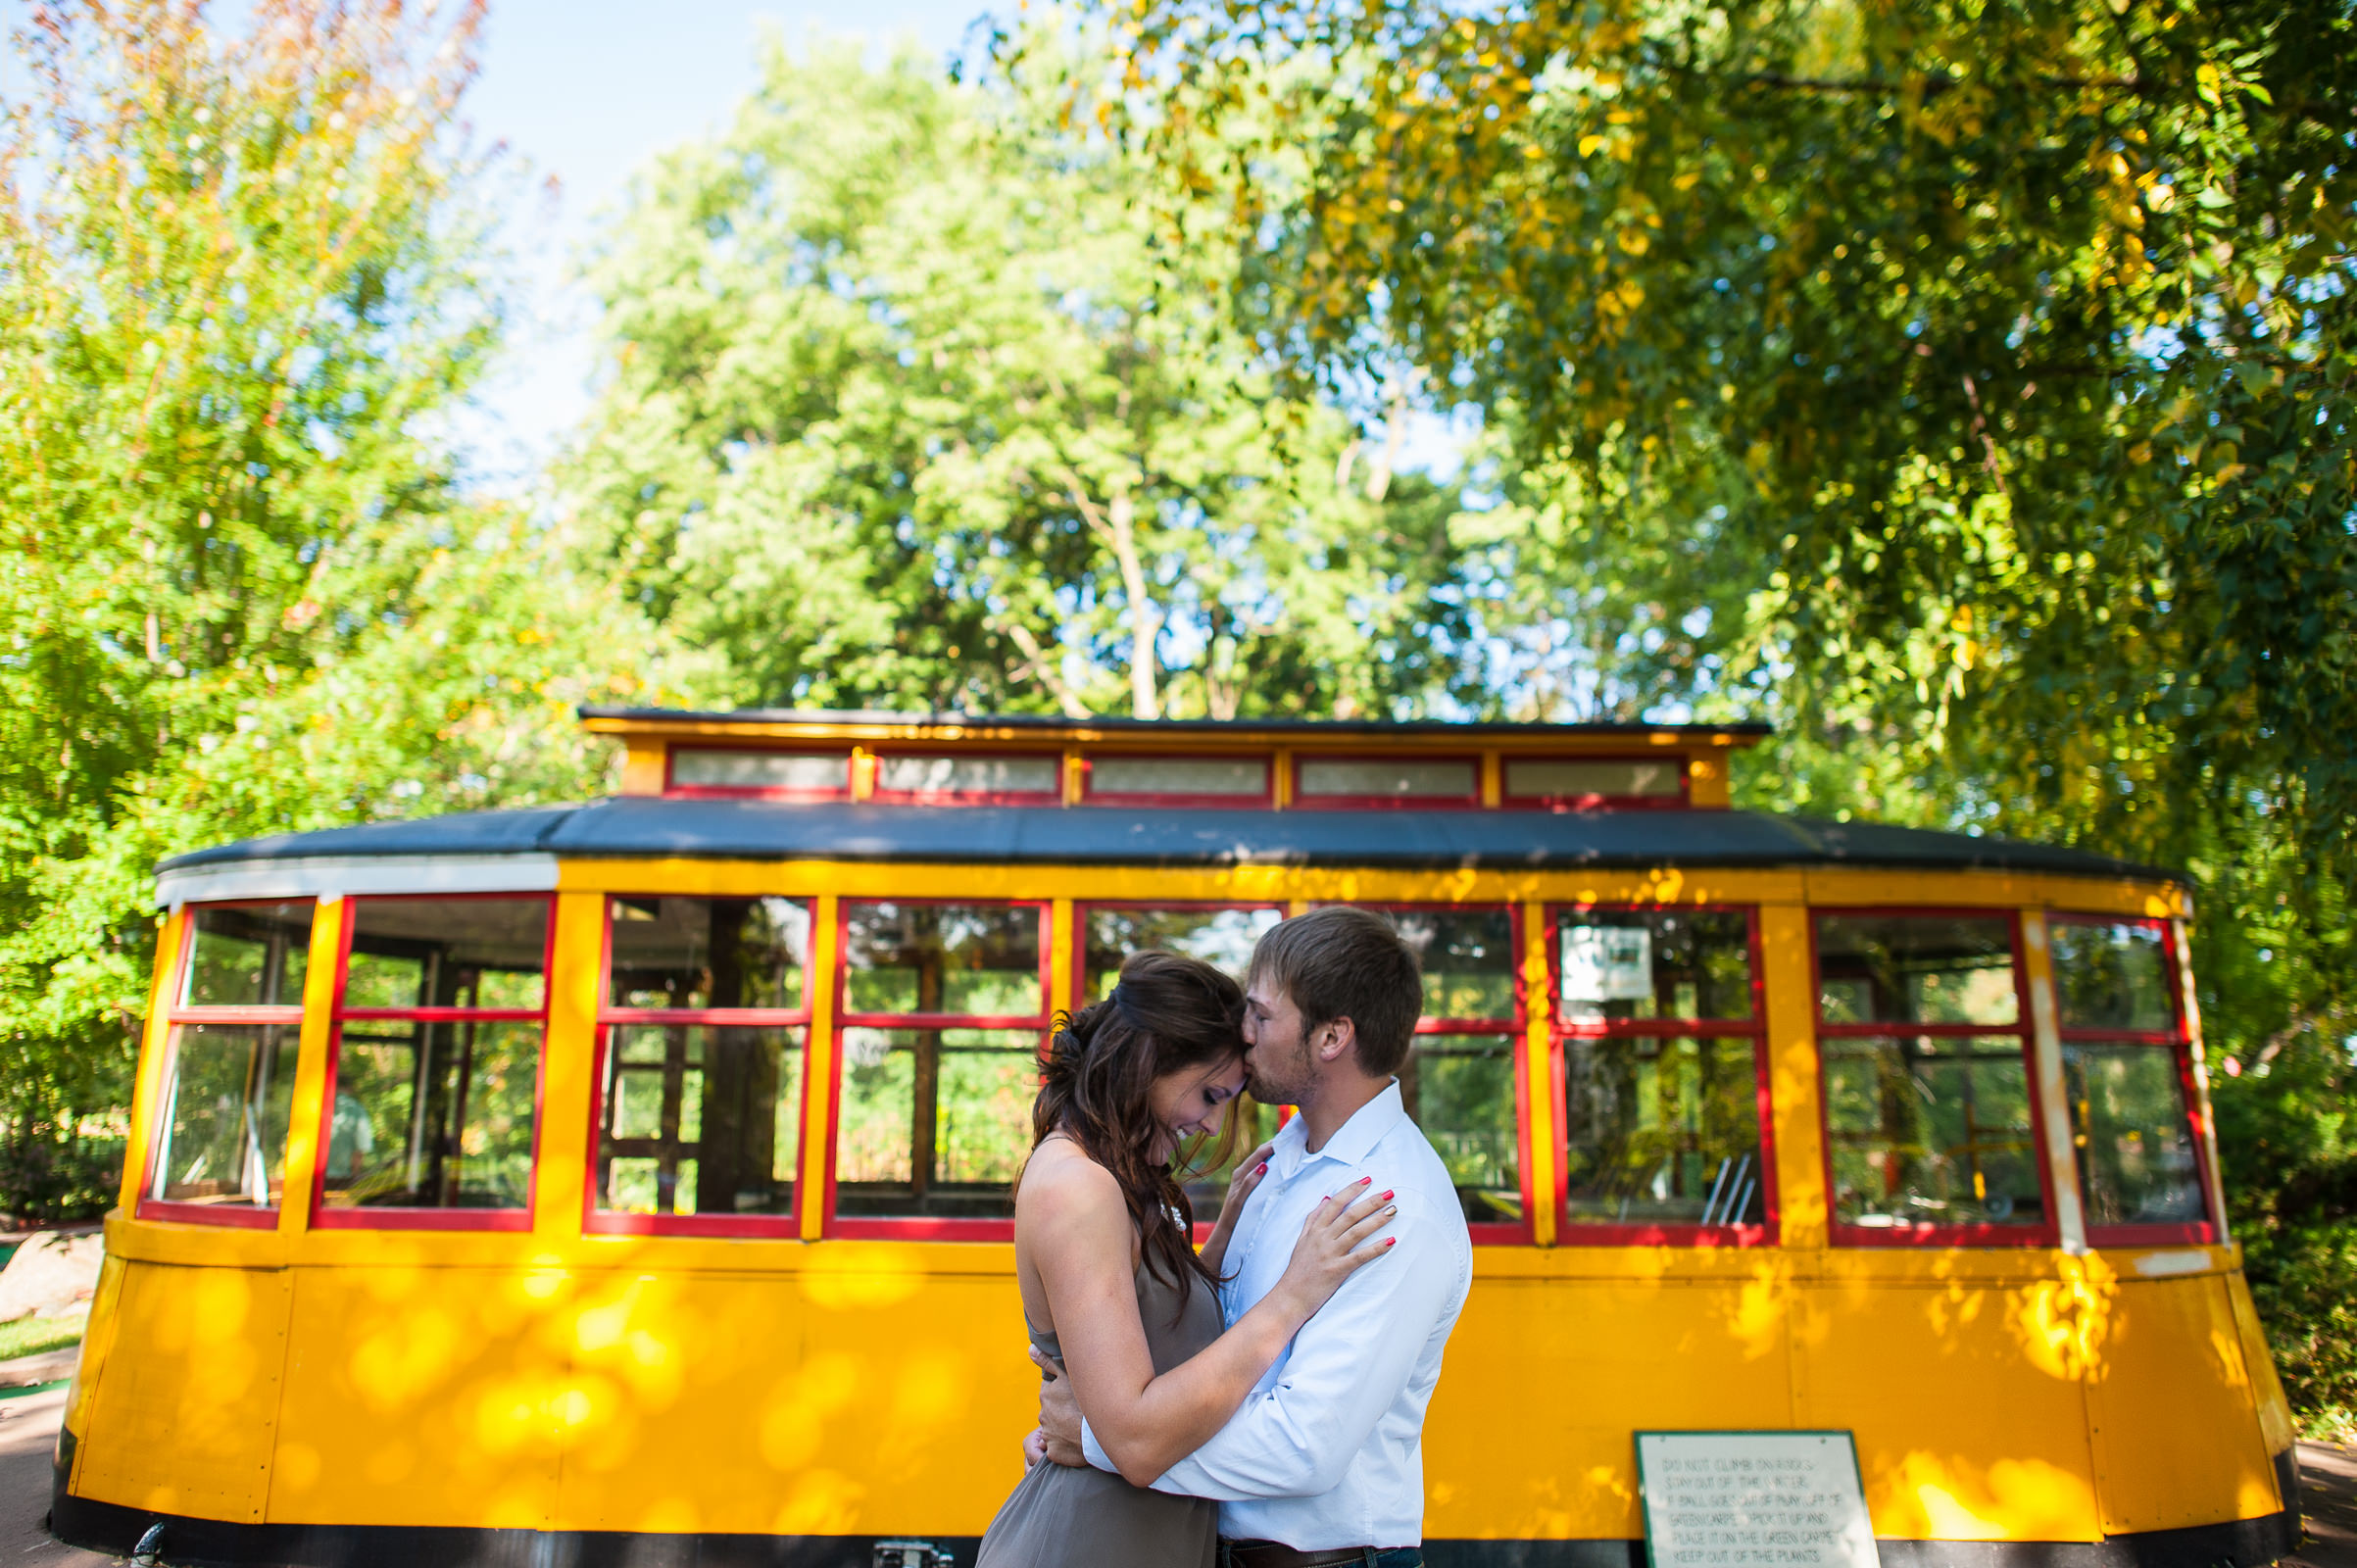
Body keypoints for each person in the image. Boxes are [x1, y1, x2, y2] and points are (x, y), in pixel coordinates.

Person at [1033, 906, 1474, 1568]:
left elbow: (1303, 1447)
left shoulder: (1390, 1206)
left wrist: (1100, 1441)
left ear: (1330, 1038)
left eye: (1262, 1016)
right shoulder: (1278, 1163)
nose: (1242, 1030)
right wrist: (1107, 1411)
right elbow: (1212, 1350)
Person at [975, 949, 1399, 1568]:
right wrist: (1295, 1293)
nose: (1210, 1125)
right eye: (1208, 1094)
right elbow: (1138, 1441)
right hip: (1089, 1543)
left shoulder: (1105, 1176)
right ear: (1146, 1065)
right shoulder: (1079, 1187)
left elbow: (1149, 1330)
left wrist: (1220, 1239)